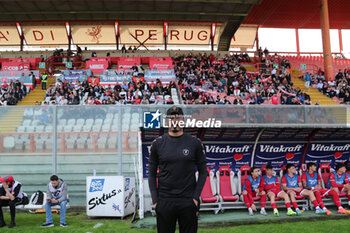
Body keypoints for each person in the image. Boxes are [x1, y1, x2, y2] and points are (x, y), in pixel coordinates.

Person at [148, 106, 207, 233]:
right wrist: (155, 201)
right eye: (171, 118)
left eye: (178, 117)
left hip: (188, 201)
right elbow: (151, 174)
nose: (174, 120)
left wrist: (195, 198)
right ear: (167, 121)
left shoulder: (194, 143)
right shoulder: (157, 144)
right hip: (164, 201)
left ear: (183, 120)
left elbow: (203, 172)